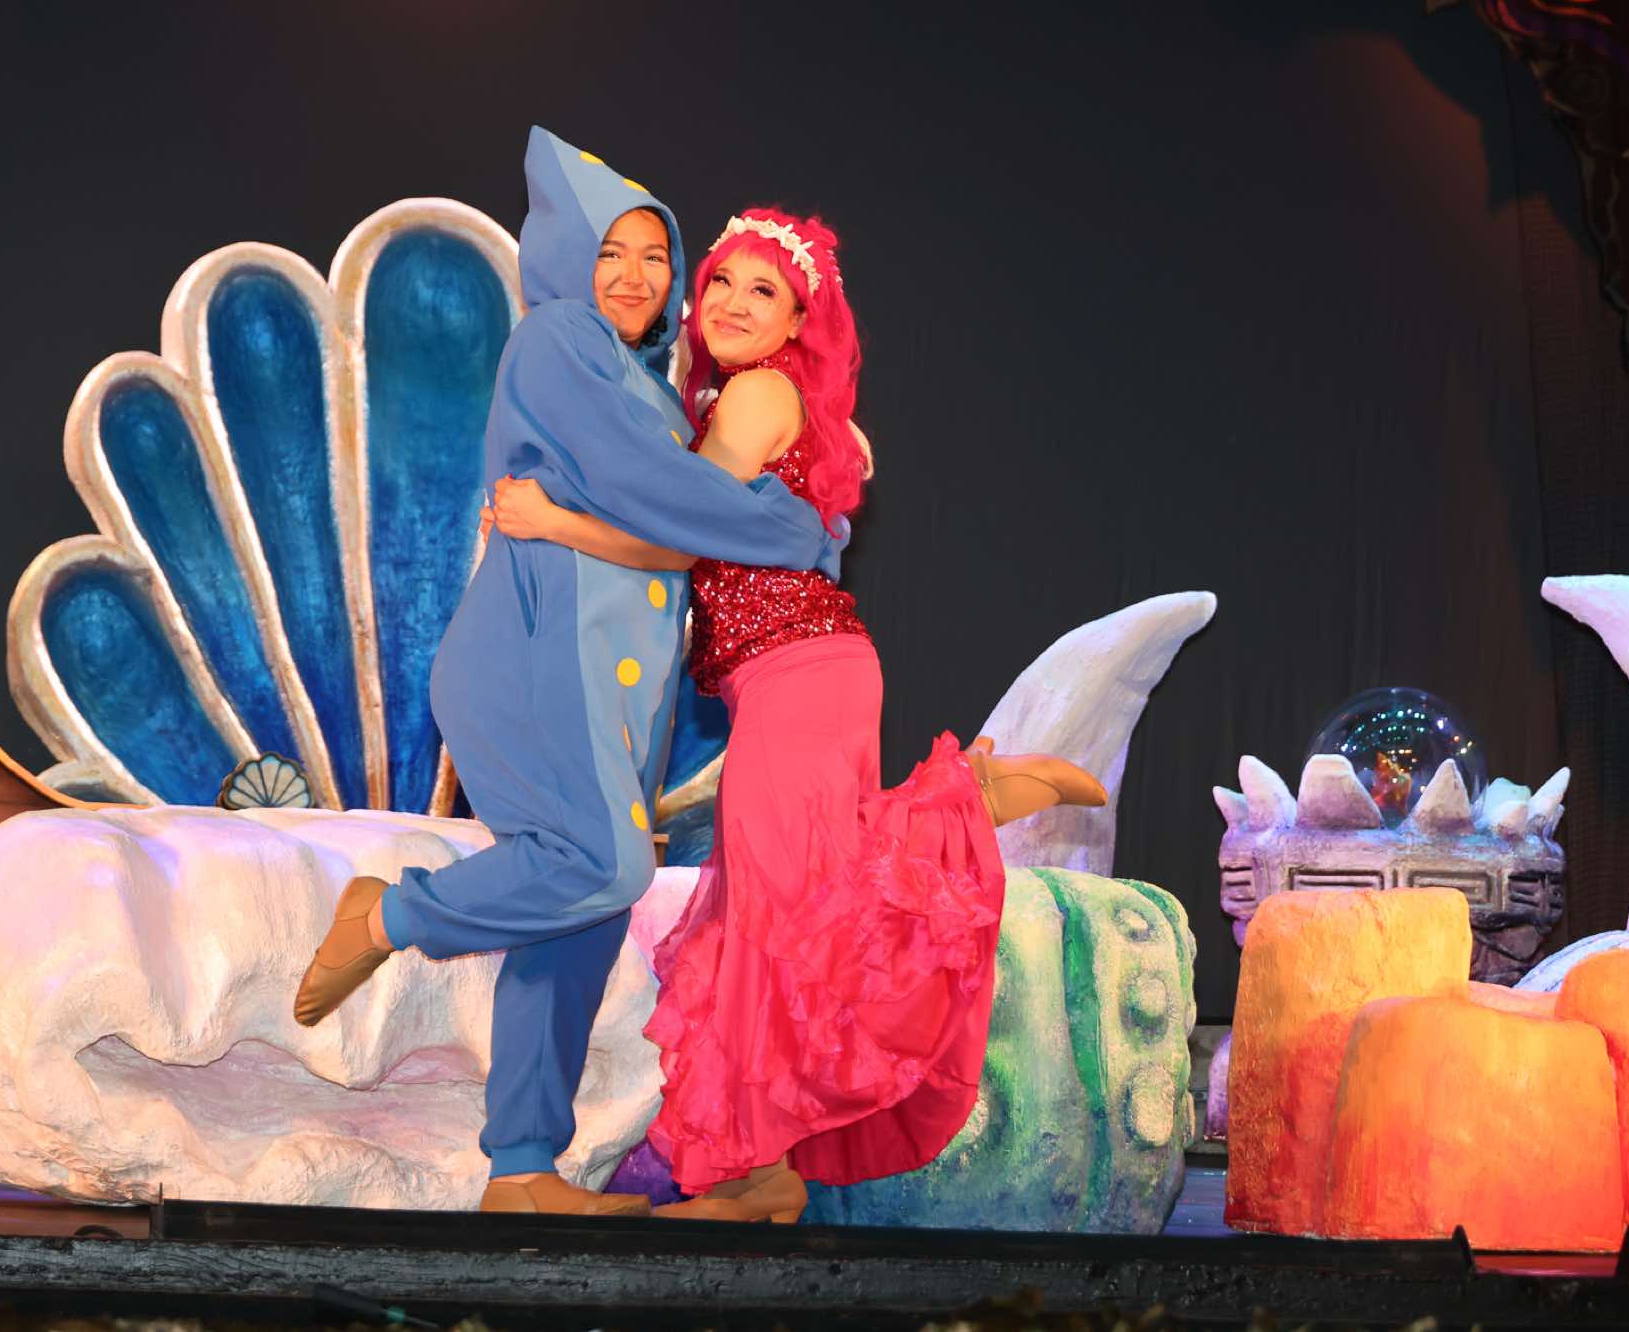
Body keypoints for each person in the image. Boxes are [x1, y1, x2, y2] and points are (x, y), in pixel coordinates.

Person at [486, 208, 1104, 1222]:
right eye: (721, 282)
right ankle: (760, 1172)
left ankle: (962, 802)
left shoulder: (757, 393)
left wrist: (552, 520)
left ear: (796, 323)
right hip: (792, 677)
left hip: (799, 673)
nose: (732, 302)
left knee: (782, 911)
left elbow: (677, 531)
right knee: (769, 915)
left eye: (762, 290)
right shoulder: (746, 400)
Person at [291, 134, 850, 1218]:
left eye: (655, 256)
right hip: (536, 656)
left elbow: (662, 533)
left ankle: (521, 1171)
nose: (637, 276)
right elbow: (656, 493)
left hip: (610, 689)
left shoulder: (645, 381)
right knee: (605, 869)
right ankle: (389, 915)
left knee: (575, 918)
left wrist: (599, 524)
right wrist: (789, 528)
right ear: (562, 259)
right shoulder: (557, 340)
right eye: (610, 253)